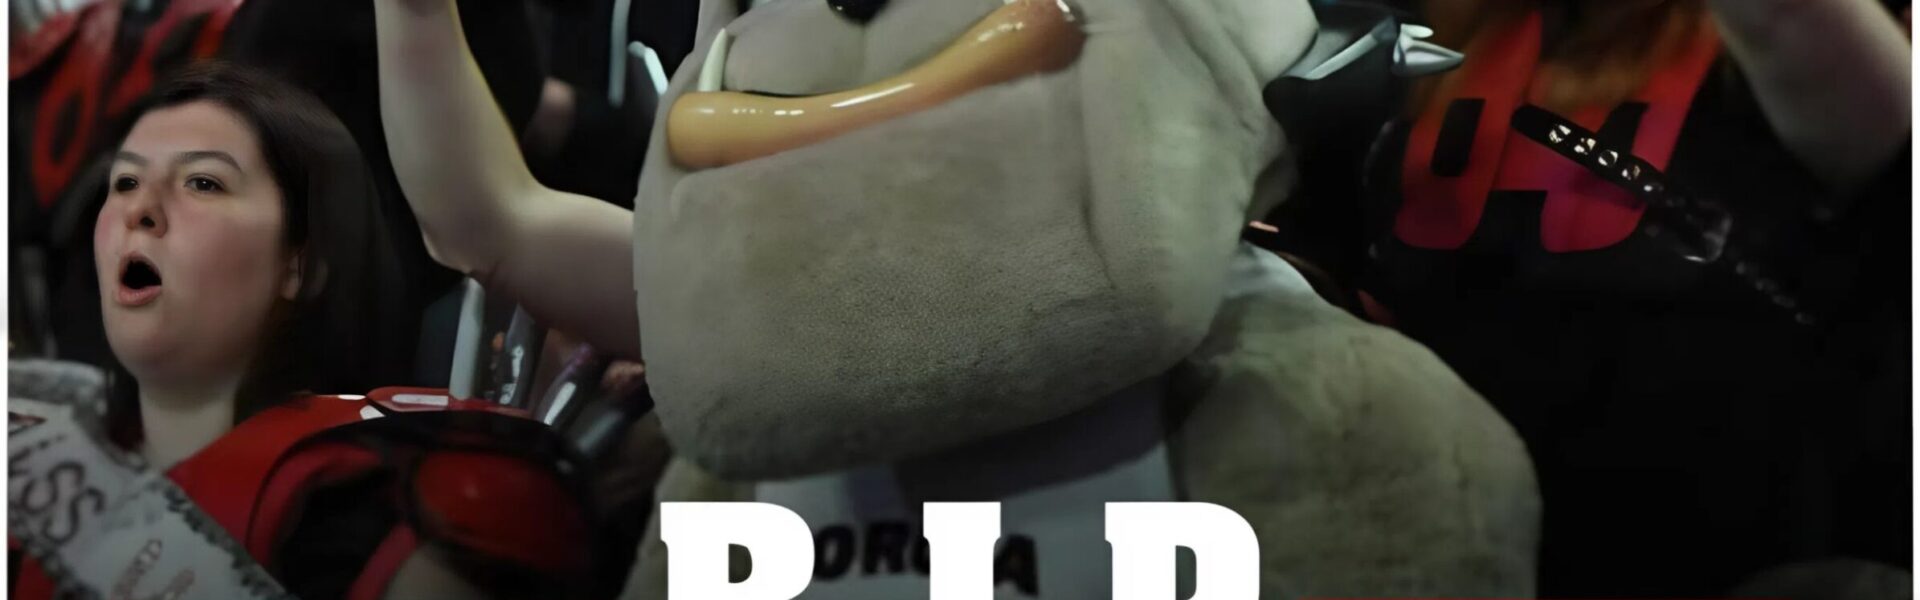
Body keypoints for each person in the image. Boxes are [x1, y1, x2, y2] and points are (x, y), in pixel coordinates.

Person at [1266, 0, 1911, 594]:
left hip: (1726, 546)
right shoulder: (1407, 38)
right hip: (1431, 538)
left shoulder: (1799, 39)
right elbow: (1325, 261)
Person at [10, 61, 596, 600]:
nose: (139, 210)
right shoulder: (32, 449)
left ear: (302, 264)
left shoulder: (388, 518)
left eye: (203, 183)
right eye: (125, 182)